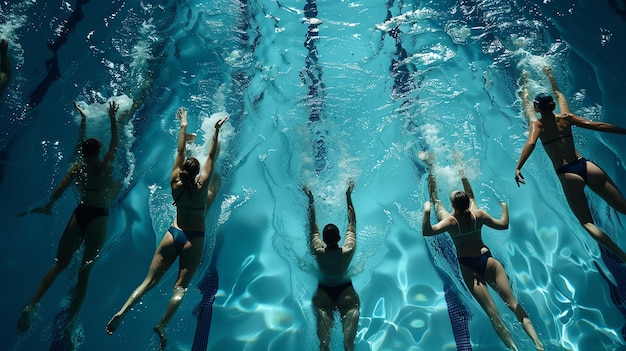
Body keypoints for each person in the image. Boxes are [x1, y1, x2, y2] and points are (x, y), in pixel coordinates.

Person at [105, 107, 227, 351]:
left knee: (149, 280)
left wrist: (183, 124)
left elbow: (180, 151)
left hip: (174, 233)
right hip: (194, 238)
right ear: (197, 175)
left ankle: (122, 310)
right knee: (179, 288)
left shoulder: (175, 182)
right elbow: (212, 157)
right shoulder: (201, 188)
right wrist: (215, 132)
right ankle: (162, 324)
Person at [16, 101, 121, 335]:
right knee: (85, 273)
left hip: (80, 213)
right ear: (98, 152)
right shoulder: (104, 168)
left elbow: (61, 188)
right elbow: (116, 143)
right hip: (98, 217)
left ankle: (32, 304)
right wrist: (113, 118)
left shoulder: (77, 168)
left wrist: (48, 205)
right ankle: (70, 322)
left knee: (58, 265)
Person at [422, 153, 544, 351]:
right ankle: (538, 344)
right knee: (513, 304)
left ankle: (514, 349)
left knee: (493, 313)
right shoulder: (478, 214)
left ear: (452, 205)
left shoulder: (450, 221)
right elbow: (502, 224)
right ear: (467, 203)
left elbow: (428, 225)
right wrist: (504, 207)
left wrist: (428, 205)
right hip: (489, 262)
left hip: (469, 268)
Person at [516, 67, 626, 262]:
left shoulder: (537, 125)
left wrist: (518, 167)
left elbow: (531, 142)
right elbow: (596, 125)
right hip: (586, 166)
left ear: (537, 108)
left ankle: (623, 256)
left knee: (586, 222)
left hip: (568, 174)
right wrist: (550, 76)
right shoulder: (566, 118)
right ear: (552, 105)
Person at [303, 181, 360, 351]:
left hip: (323, 294)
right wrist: (348, 196)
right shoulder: (348, 250)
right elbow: (353, 223)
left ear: (324, 240)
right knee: (348, 345)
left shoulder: (318, 251)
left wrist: (311, 200)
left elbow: (312, 228)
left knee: (324, 344)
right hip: (346, 292)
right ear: (339, 237)